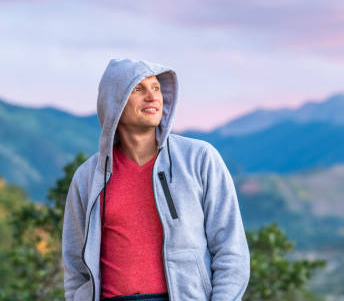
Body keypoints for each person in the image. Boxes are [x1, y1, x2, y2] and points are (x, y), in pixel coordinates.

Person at [62, 58, 250, 301]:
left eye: (156, 88)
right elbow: (76, 266)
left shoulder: (200, 159)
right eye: (138, 89)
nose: (152, 97)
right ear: (114, 102)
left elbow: (231, 252)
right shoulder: (88, 177)